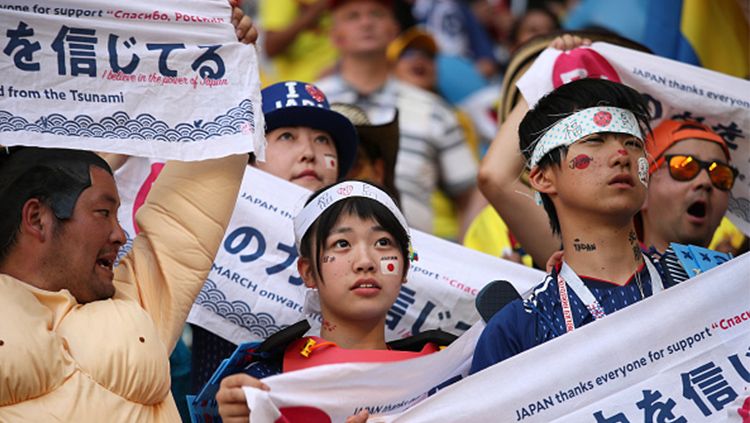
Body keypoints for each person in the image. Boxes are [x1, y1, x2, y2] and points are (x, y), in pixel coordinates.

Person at [0, 148, 248, 421]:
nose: (120, 234)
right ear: (37, 218)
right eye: (103, 212)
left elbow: (210, 161)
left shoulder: (135, 299)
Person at [471, 78, 672, 372]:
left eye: (632, 143)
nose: (621, 156)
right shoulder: (519, 329)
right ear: (542, 178)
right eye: (595, 140)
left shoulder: (706, 276)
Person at [216, 181, 453, 422]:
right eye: (342, 244)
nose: (365, 261)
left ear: (405, 268)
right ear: (308, 272)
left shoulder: (443, 375)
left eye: (382, 242)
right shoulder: (267, 381)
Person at [191, 80, 359, 391]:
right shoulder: (209, 225)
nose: (309, 153)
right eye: (286, 137)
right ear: (251, 157)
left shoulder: (371, 245)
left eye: (323, 140)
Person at [316, 0, 483, 238]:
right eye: (353, 16)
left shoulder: (433, 108)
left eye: (376, 13)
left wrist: (463, 256)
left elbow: (471, 193)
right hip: (321, 251)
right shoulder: (312, 103)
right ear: (335, 35)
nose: (366, 22)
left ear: (394, 31)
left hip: (416, 260)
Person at [640, 119, 738, 253]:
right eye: (684, 167)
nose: (705, 182)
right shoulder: (608, 271)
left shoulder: (741, 273)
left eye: (720, 174)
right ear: (642, 192)